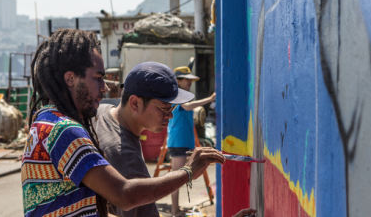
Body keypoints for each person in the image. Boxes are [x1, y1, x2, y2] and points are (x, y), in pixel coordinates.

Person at [21, 28, 225, 217]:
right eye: (98, 78)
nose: (105, 88)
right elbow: (124, 194)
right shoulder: (64, 130)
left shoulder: (45, 120)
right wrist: (187, 172)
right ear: (71, 79)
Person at [94, 62, 197, 216]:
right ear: (135, 103)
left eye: (172, 108)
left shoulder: (102, 111)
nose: (170, 115)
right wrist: (188, 171)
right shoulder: (127, 159)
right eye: (164, 108)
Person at [167, 66, 216, 216]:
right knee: (176, 178)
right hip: (178, 142)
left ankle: (177, 208)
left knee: (181, 177)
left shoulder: (184, 95)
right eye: (186, 80)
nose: (189, 83)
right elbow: (187, 107)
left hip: (184, 142)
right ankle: (175, 211)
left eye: (190, 80)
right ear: (178, 81)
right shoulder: (176, 95)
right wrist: (209, 99)